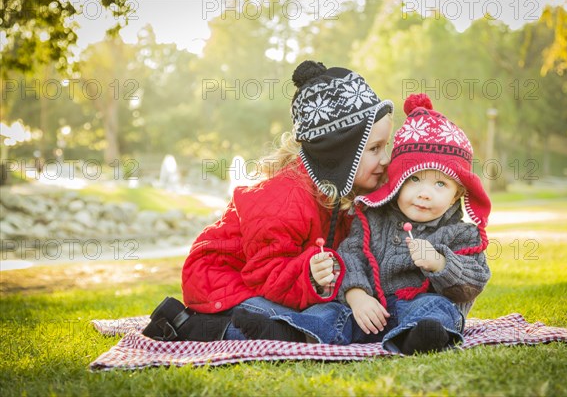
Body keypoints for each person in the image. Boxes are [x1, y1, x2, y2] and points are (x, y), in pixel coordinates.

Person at [142, 60, 394, 342]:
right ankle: (188, 325)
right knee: (279, 325)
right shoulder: (286, 198)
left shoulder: (337, 191)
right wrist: (310, 273)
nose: (385, 159)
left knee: (325, 316)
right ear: (340, 152)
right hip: (226, 282)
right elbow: (265, 273)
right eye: (374, 148)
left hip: (275, 281)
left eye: (386, 146)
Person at [233, 93, 492, 355]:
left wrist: (440, 263)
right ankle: (292, 331)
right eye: (414, 179)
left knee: (437, 309)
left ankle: (418, 337)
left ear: (456, 195)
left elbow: (474, 280)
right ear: (397, 179)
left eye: (440, 184)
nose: (425, 193)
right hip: (369, 310)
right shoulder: (373, 217)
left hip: (420, 307)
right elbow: (351, 255)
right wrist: (356, 296)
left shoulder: (462, 234)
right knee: (330, 314)